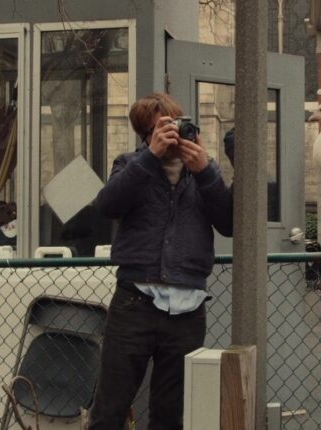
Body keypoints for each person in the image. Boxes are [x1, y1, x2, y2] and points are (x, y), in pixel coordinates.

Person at [89, 93, 233, 429]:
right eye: (162, 129)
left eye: (177, 126)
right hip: (134, 303)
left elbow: (228, 224)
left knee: (170, 416)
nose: (172, 135)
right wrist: (149, 159)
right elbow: (107, 206)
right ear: (146, 134)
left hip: (187, 310)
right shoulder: (130, 164)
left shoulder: (202, 173)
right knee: (109, 410)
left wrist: (206, 171)